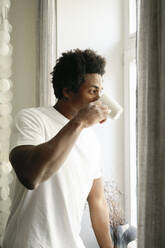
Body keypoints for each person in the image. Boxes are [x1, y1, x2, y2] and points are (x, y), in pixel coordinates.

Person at [2, 49, 113, 248]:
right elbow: (31, 176)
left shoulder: (92, 139)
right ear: (67, 91)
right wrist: (79, 122)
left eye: (100, 92)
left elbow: (97, 201)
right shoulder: (32, 119)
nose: (98, 100)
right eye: (92, 91)